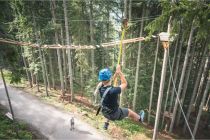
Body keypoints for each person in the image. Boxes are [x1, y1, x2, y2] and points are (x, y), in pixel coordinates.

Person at [94, 65, 145, 129]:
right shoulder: (114, 91)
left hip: (104, 112)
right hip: (114, 114)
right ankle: (140, 118)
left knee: (109, 105)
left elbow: (109, 81)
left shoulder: (101, 87)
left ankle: (106, 124)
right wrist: (120, 72)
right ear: (109, 78)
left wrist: (116, 73)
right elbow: (125, 83)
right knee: (129, 112)